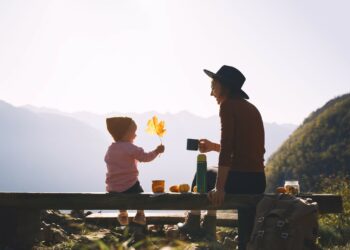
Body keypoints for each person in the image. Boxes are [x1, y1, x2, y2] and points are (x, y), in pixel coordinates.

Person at [179, 65, 266, 248]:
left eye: (213, 86)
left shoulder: (227, 106)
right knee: (246, 237)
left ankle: (194, 222)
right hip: (257, 180)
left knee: (203, 172)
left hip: (240, 179)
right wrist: (212, 147)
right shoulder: (251, 108)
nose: (211, 93)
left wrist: (219, 188)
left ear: (224, 87)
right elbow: (244, 150)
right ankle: (225, 234)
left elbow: (227, 150)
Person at [105, 117, 165, 226]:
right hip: (130, 186)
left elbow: (108, 161)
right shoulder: (130, 148)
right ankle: (140, 214)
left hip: (112, 188)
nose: (135, 135)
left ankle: (123, 214)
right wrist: (157, 151)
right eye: (133, 132)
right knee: (141, 196)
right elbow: (145, 157)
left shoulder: (111, 149)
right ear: (124, 133)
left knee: (119, 197)